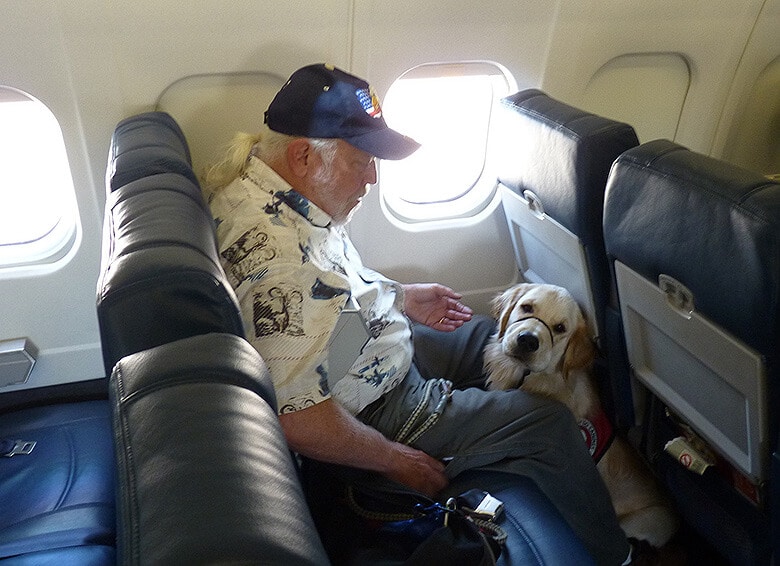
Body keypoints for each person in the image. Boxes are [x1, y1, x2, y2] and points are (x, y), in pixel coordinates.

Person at [203, 63, 634, 565]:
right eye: (362, 160)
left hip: (361, 350)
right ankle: (617, 554)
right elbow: (299, 417)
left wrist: (397, 298)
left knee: (482, 338)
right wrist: (394, 458)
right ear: (303, 155)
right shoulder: (278, 266)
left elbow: (327, 306)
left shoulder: (283, 199)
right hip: (376, 405)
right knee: (550, 424)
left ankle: (553, 442)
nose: (372, 177)